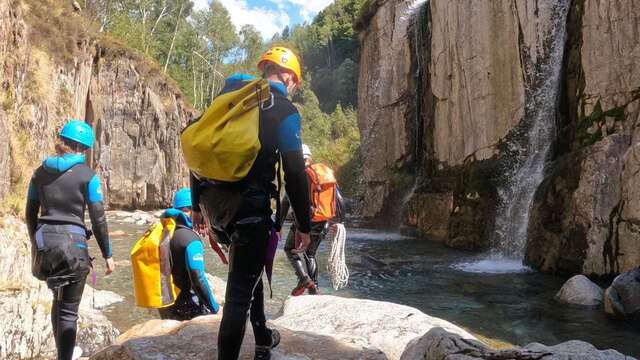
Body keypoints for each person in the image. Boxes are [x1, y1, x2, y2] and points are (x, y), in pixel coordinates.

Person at [191, 46, 312, 360]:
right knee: (237, 299)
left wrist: (195, 206)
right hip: (249, 209)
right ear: (287, 76)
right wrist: (303, 224)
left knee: (249, 270)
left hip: (213, 205)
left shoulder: (230, 100)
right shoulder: (282, 108)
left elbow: (201, 153)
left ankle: (262, 337)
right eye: (295, 82)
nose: (293, 87)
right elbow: (296, 172)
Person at [25, 119, 115, 360]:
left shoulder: (39, 171)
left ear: (62, 142)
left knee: (58, 298)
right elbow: (98, 218)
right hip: (73, 247)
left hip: (46, 245)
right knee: (69, 312)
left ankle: (60, 353)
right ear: (84, 149)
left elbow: (29, 213)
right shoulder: (88, 176)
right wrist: (108, 255)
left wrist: (37, 244)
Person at [280, 144, 345, 295]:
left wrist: (277, 226)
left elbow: (285, 203)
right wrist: (340, 222)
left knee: (290, 249)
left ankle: (304, 279)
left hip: (304, 220)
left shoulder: (298, 175)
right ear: (309, 157)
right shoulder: (322, 173)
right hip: (323, 220)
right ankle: (314, 287)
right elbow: (339, 199)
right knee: (310, 254)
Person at [157, 187, 220, 320]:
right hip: (188, 309)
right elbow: (198, 278)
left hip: (166, 307)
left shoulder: (164, 233)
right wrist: (215, 308)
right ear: (192, 210)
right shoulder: (191, 240)